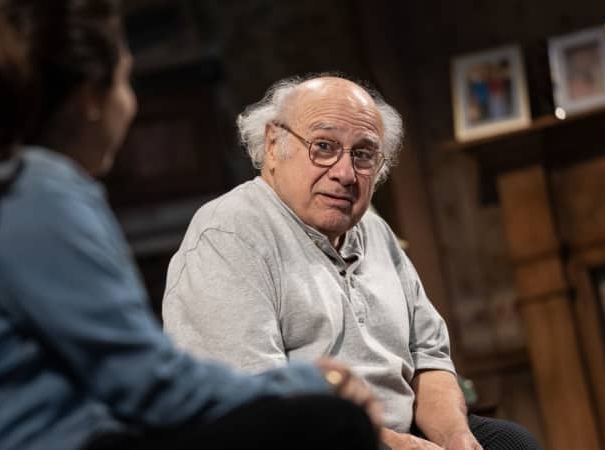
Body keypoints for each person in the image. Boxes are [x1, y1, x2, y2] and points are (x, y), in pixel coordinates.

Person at [0, 3, 382, 450]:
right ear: (90, 102)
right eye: (127, 79)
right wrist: (317, 380)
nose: (133, 100)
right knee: (329, 423)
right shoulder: (33, 188)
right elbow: (152, 386)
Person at [162, 75, 543, 450]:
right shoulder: (229, 235)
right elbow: (256, 399)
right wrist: (396, 445)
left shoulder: (375, 231)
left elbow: (428, 357)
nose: (345, 174)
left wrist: (454, 438)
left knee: (511, 443)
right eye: (324, 147)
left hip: (397, 430)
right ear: (274, 144)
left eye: (362, 155)